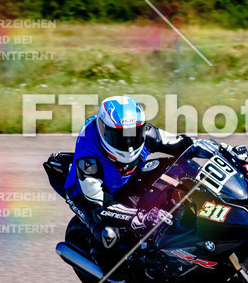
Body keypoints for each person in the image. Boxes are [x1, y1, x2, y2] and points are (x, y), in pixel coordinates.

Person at [63, 96, 194, 250]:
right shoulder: (88, 160)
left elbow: (185, 144)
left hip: (126, 176)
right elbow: (103, 205)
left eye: (133, 133)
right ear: (103, 130)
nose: (128, 142)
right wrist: (140, 216)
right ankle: (111, 272)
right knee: (109, 236)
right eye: (120, 136)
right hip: (89, 196)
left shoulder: (147, 133)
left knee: (178, 167)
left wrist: (220, 150)